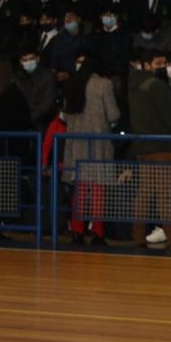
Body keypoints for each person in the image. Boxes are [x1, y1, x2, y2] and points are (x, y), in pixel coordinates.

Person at [61, 51, 120, 245]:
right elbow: (113, 115)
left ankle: (77, 229)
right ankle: (97, 231)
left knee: (79, 190)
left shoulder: (71, 84)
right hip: (98, 144)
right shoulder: (104, 84)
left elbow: (65, 115)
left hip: (76, 144)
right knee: (97, 190)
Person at [127, 49, 171, 249]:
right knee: (165, 195)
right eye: (158, 62)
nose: (163, 66)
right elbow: (170, 118)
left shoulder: (134, 86)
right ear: (148, 65)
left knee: (143, 194)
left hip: (143, 146)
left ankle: (138, 237)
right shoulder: (157, 86)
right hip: (163, 147)